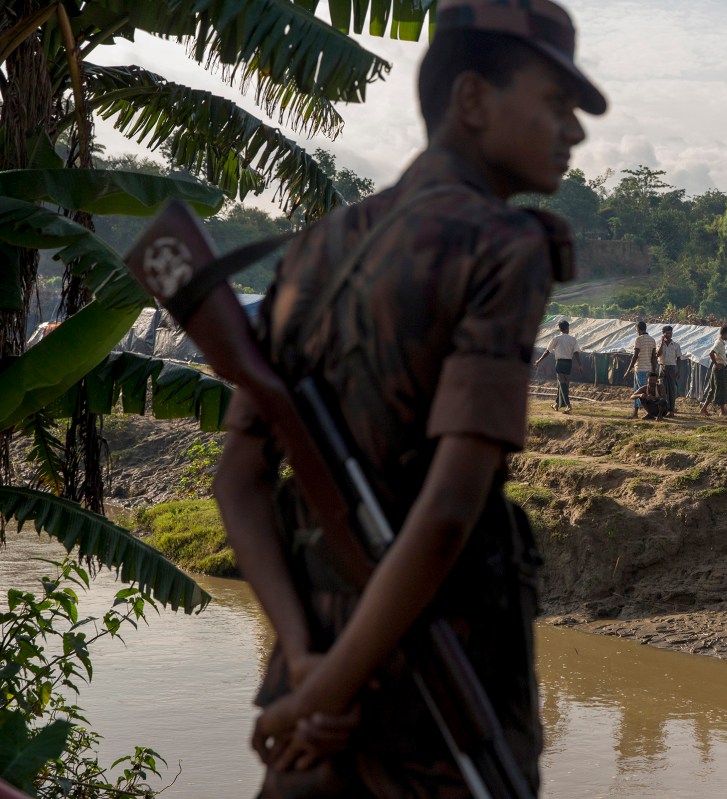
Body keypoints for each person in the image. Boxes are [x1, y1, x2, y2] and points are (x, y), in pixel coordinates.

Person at [212, 1, 606, 795]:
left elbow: (237, 479)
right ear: (471, 99)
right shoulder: (501, 244)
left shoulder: (314, 248)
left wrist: (305, 667)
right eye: (554, 103)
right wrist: (329, 689)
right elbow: (448, 514)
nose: (575, 131)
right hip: (432, 711)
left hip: (311, 701)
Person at [536, 318, 583, 412]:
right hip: (569, 364)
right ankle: (556, 404)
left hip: (560, 363)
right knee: (562, 384)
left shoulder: (556, 338)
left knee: (562, 384)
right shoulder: (573, 339)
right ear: (568, 328)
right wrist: (580, 365)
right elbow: (576, 353)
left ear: (560, 329)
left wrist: (539, 360)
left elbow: (547, 351)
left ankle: (568, 405)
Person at [625, 320, 657, 418]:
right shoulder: (652, 340)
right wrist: (654, 370)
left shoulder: (638, 339)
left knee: (641, 392)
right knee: (640, 391)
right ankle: (636, 412)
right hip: (649, 368)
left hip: (640, 368)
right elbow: (653, 357)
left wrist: (628, 370)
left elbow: (635, 356)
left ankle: (648, 412)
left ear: (638, 329)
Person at [699, 326, 727, 417]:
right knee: (721, 389)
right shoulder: (719, 343)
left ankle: (704, 408)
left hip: (718, 368)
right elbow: (711, 353)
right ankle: (722, 411)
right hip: (719, 369)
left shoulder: (721, 343)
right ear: (724, 333)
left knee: (712, 389)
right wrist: (717, 364)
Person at [657, 324, 683, 416]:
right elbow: (657, 354)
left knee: (672, 389)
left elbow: (679, 358)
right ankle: (664, 409)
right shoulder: (660, 344)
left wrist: (678, 370)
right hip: (662, 366)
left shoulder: (676, 345)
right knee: (663, 389)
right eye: (667, 333)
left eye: (670, 333)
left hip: (672, 367)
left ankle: (671, 410)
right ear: (663, 334)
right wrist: (661, 343)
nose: (669, 335)